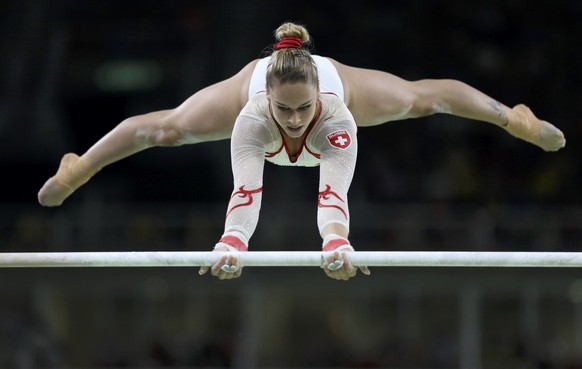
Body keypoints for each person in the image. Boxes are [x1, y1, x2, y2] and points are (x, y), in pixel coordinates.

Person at [37, 22, 565, 280]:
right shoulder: (251, 116)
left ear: (318, 97)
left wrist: (337, 246)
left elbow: (332, 193)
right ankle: (82, 163)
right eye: (283, 111)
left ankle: (508, 114)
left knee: (424, 100)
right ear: (268, 97)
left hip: (343, 92)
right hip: (250, 92)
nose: (292, 120)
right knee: (166, 129)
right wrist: (231, 246)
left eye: (301, 109)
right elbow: (246, 191)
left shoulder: (339, 115)